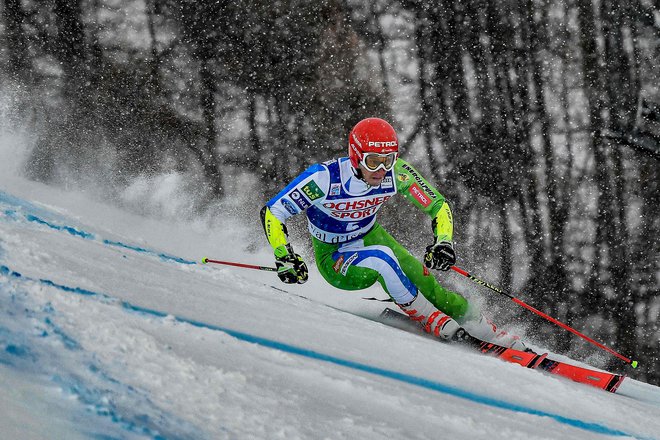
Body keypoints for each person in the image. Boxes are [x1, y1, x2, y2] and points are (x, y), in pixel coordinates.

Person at [260, 117, 525, 350]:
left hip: (370, 235)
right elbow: (273, 212)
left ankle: (487, 331)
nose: (381, 169)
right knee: (383, 258)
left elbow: (438, 205)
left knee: (427, 283)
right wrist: (285, 256)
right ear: (356, 157)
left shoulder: (396, 173)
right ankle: (433, 320)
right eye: (373, 161)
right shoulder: (324, 179)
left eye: (388, 160)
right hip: (333, 254)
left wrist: (443, 242)